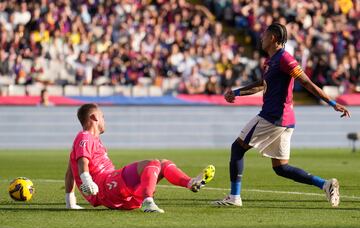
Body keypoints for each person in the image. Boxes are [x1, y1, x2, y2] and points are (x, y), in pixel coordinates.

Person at [213, 23, 350, 208]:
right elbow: (262, 84)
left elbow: (307, 83)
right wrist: (237, 93)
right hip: (284, 120)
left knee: (237, 148)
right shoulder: (270, 61)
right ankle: (325, 184)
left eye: (264, 35)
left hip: (272, 117)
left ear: (273, 38)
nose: (261, 37)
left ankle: (234, 197)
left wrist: (332, 103)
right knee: (281, 168)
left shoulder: (285, 59)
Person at [65, 103, 215, 213]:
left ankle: (190, 182)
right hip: (105, 186)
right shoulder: (85, 136)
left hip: (116, 194)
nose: (104, 120)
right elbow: (82, 162)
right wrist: (87, 180)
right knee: (152, 163)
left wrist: (70, 201)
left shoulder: (89, 141)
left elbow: (71, 170)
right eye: (103, 117)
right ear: (94, 117)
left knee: (162, 164)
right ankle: (148, 201)